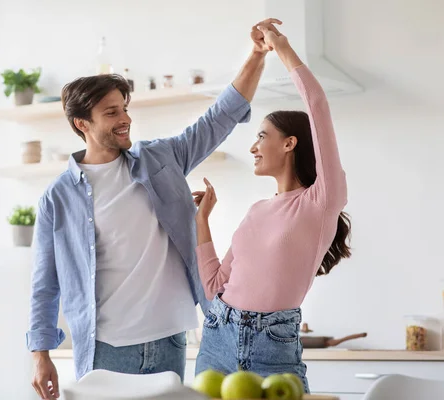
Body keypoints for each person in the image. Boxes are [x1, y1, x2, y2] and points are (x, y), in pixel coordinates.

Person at [27, 19, 283, 400]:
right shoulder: (58, 196)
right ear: (83, 124)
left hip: (170, 339)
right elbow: (45, 284)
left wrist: (258, 55)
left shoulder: (160, 159)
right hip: (106, 349)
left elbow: (221, 116)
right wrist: (40, 354)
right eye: (111, 113)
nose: (125, 118)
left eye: (124, 108)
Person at [192, 22, 352, 394]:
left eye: (262, 135)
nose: (253, 146)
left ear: (290, 143)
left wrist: (281, 49)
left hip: (272, 343)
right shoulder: (256, 211)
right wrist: (202, 222)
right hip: (217, 333)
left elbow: (318, 106)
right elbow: (215, 287)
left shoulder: (321, 200)